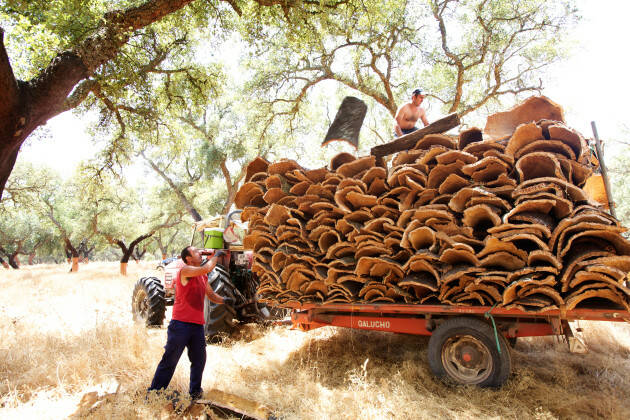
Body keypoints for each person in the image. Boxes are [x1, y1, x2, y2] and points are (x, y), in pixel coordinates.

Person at [148, 246, 234, 401]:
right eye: (195, 252)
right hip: (180, 325)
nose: (199, 253)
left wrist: (225, 300)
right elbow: (207, 268)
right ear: (188, 258)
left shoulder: (202, 277)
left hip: (196, 326)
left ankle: (195, 392)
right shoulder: (185, 271)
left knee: (199, 360)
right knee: (170, 360)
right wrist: (216, 256)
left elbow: (211, 294)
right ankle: (154, 393)